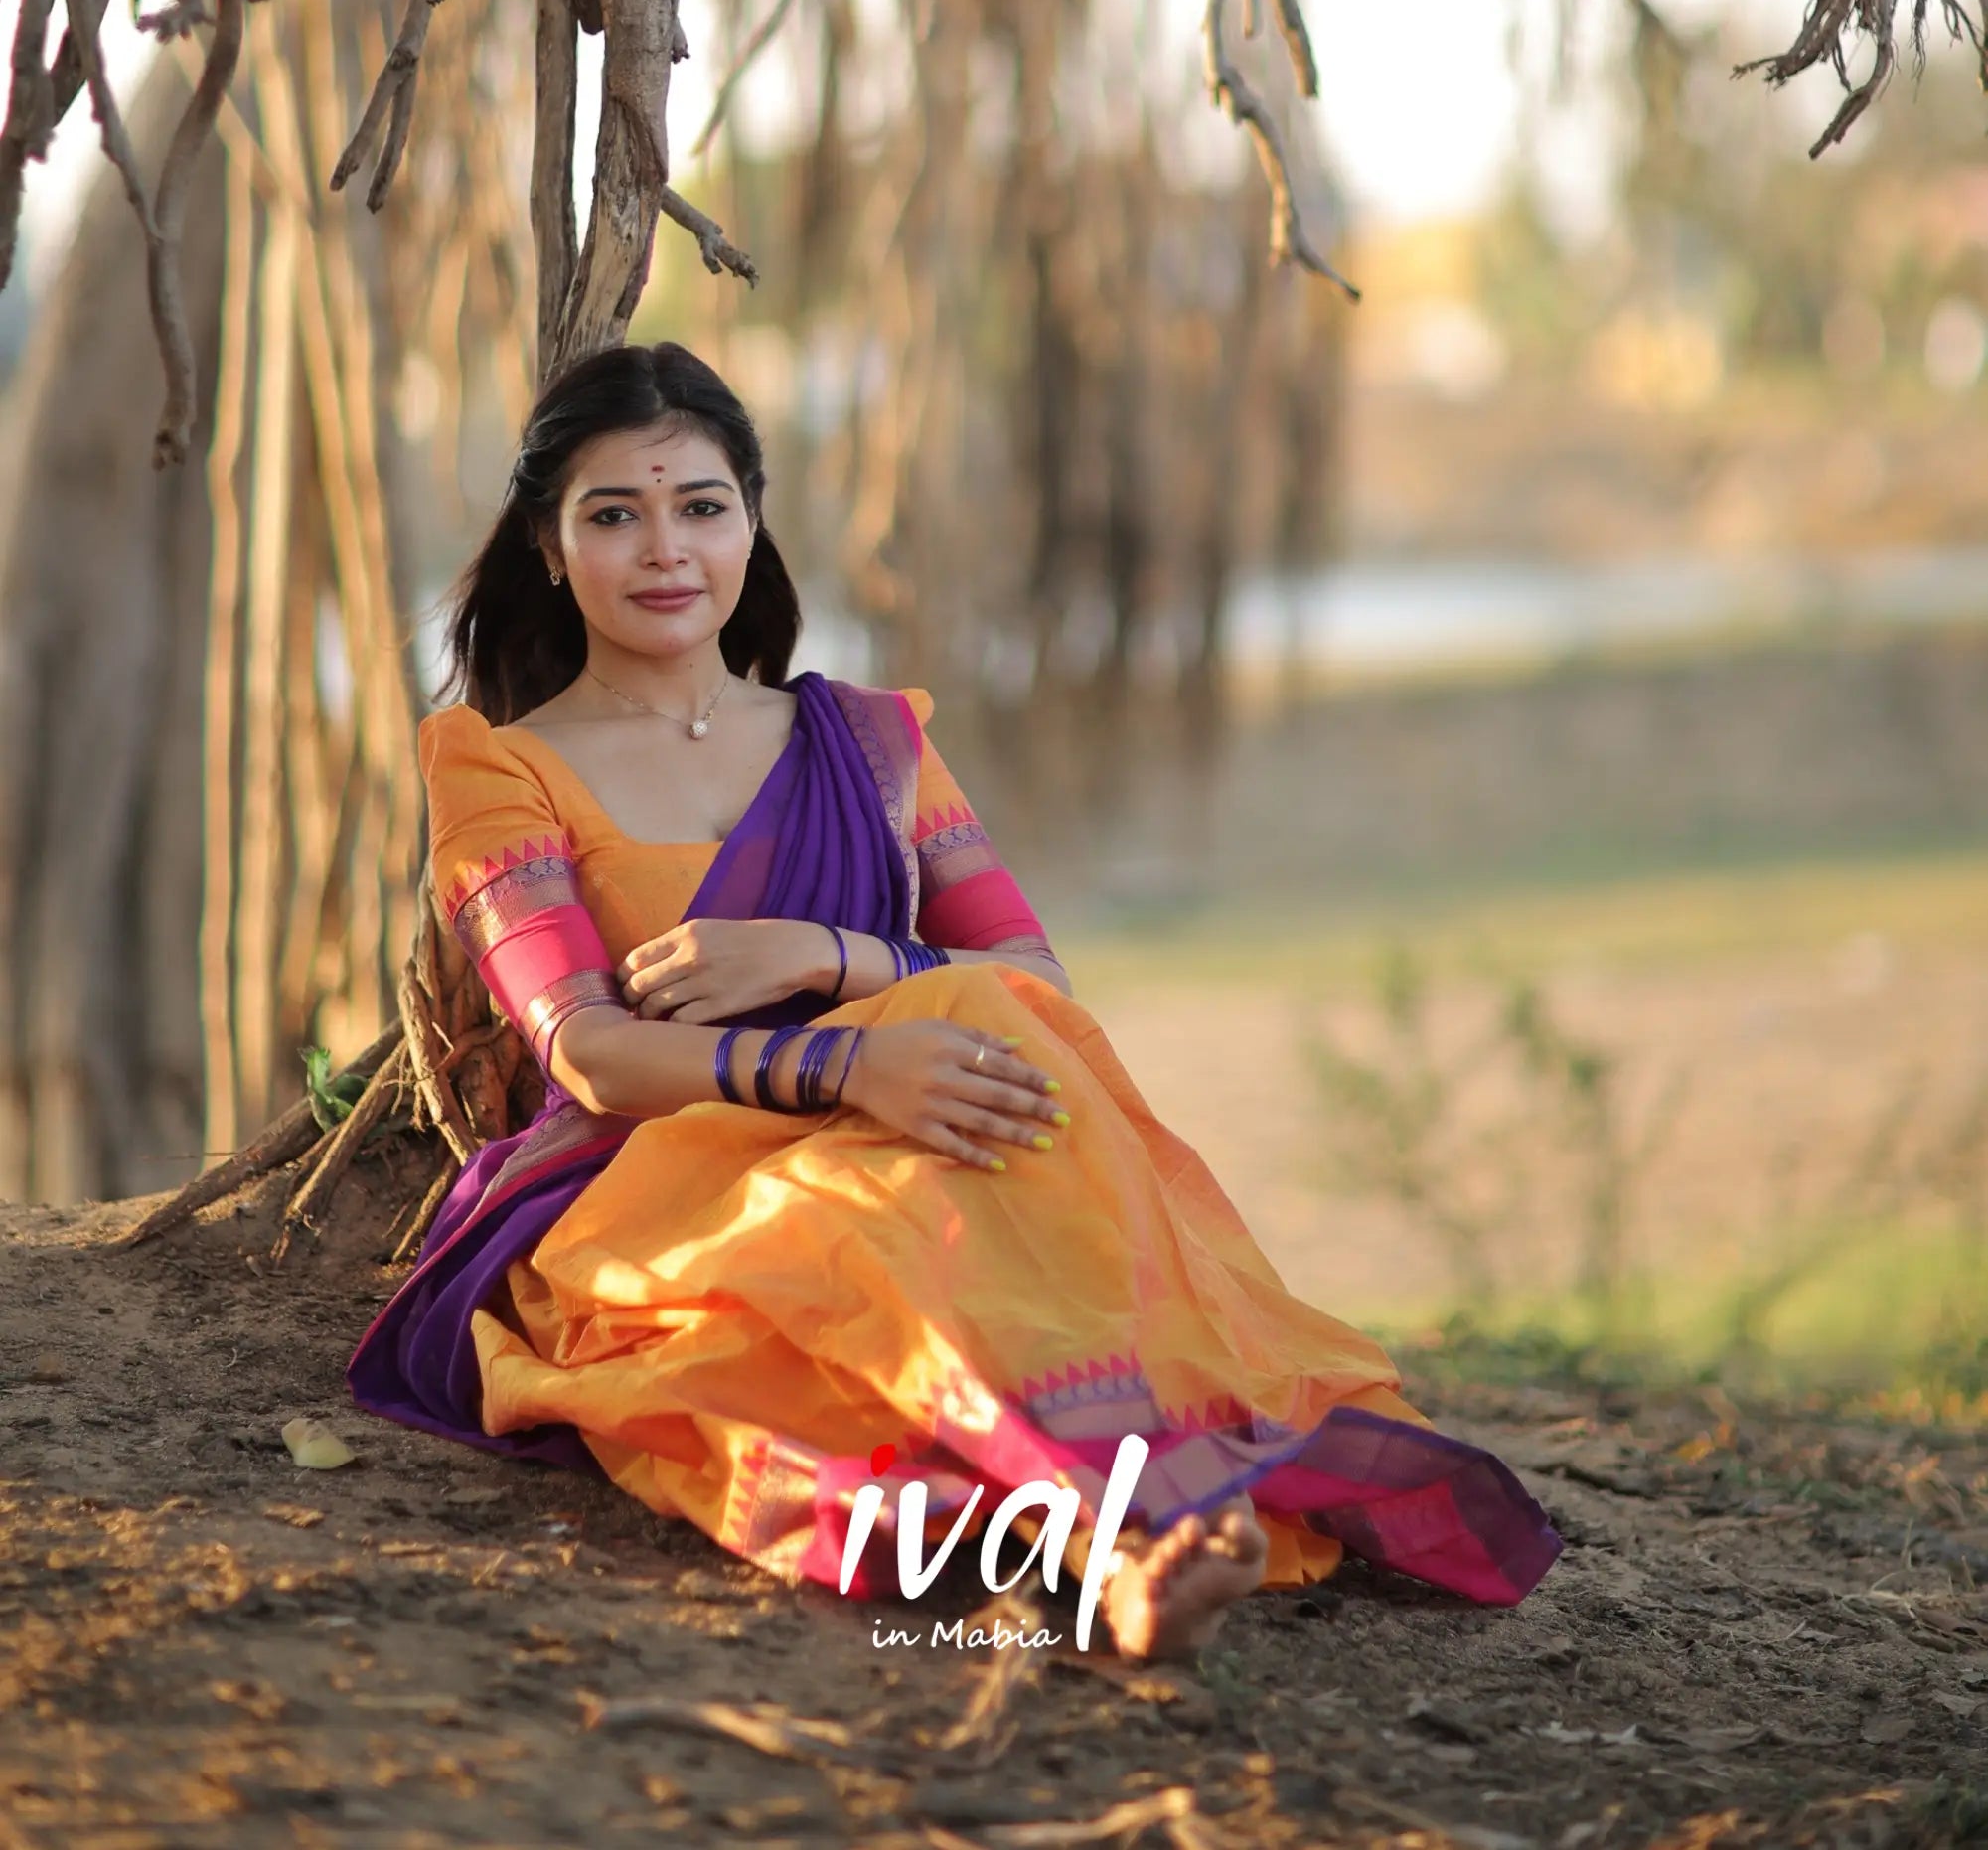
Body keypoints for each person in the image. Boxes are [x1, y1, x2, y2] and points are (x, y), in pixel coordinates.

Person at [349, 343, 1559, 1658]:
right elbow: (584, 1051)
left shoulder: (868, 745)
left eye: (701, 506)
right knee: (861, 1260)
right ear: (544, 545)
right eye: (612, 514)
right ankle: (1123, 1546)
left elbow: (1034, 984)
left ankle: (1124, 1529)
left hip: (926, 1114)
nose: (664, 550)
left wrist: (825, 954)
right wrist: (842, 1071)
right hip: (668, 1172)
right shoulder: (498, 768)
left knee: (990, 1052)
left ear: (752, 522)